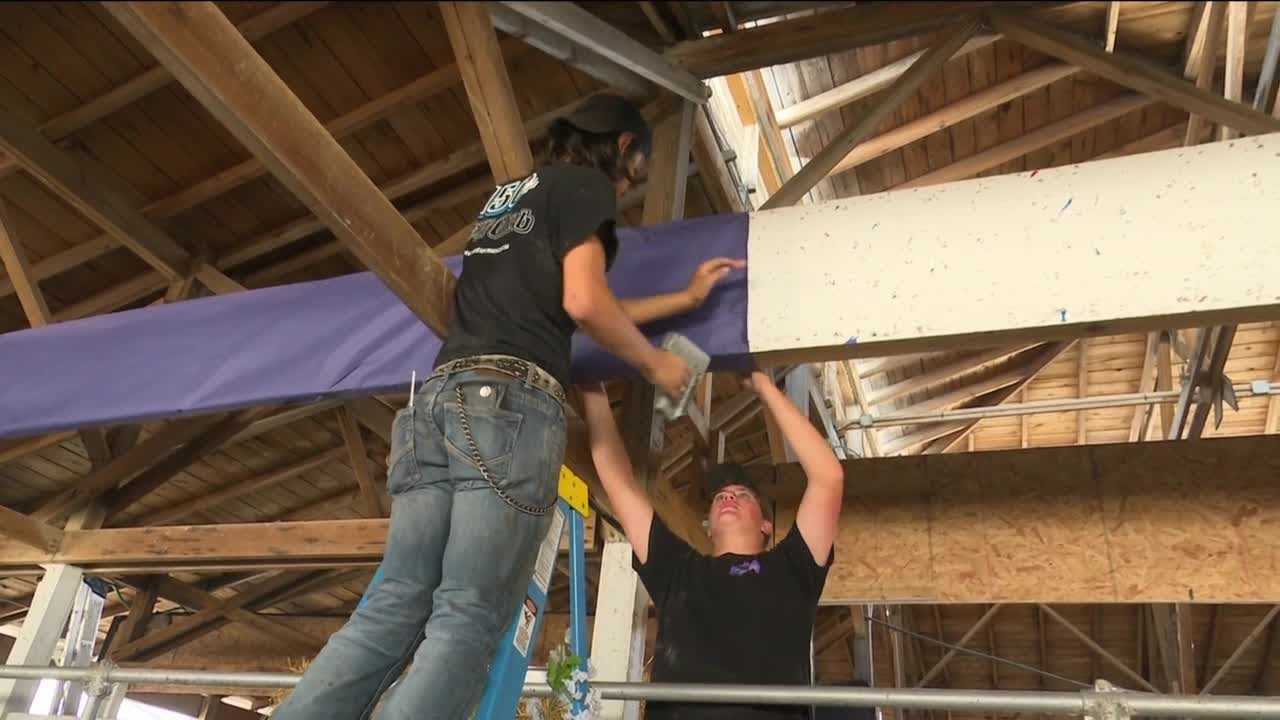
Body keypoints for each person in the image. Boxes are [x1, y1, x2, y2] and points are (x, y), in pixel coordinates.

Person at [274, 94, 746, 720]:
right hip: (505, 410)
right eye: (635, 174)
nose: (628, 188)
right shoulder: (587, 187)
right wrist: (654, 363)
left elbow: (575, 303)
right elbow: (585, 302)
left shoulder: (509, 198)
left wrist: (682, 300)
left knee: (392, 606)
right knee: (467, 615)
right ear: (623, 146)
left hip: (435, 402)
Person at [580, 370, 845, 720]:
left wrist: (764, 386)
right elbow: (619, 483)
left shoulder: (794, 566)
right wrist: (591, 389)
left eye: (742, 494)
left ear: (766, 525)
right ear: (708, 527)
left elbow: (828, 477)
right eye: (720, 496)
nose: (727, 497)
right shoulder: (678, 569)